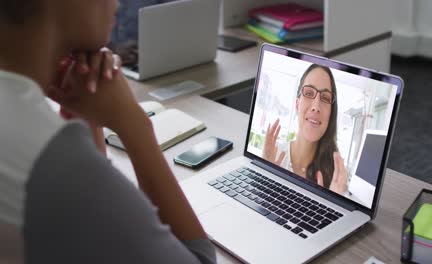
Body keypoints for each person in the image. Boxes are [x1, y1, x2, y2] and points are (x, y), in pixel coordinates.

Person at [0, 1, 215, 263]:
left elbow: (91, 229)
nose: (117, 2)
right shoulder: (48, 156)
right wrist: (134, 124)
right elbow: (197, 259)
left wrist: (83, 113)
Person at [262, 64, 348, 195]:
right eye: (309, 93)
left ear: (331, 114)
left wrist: (334, 204)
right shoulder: (272, 157)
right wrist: (263, 177)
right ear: (297, 104)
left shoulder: (336, 180)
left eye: (325, 98)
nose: (316, 107)